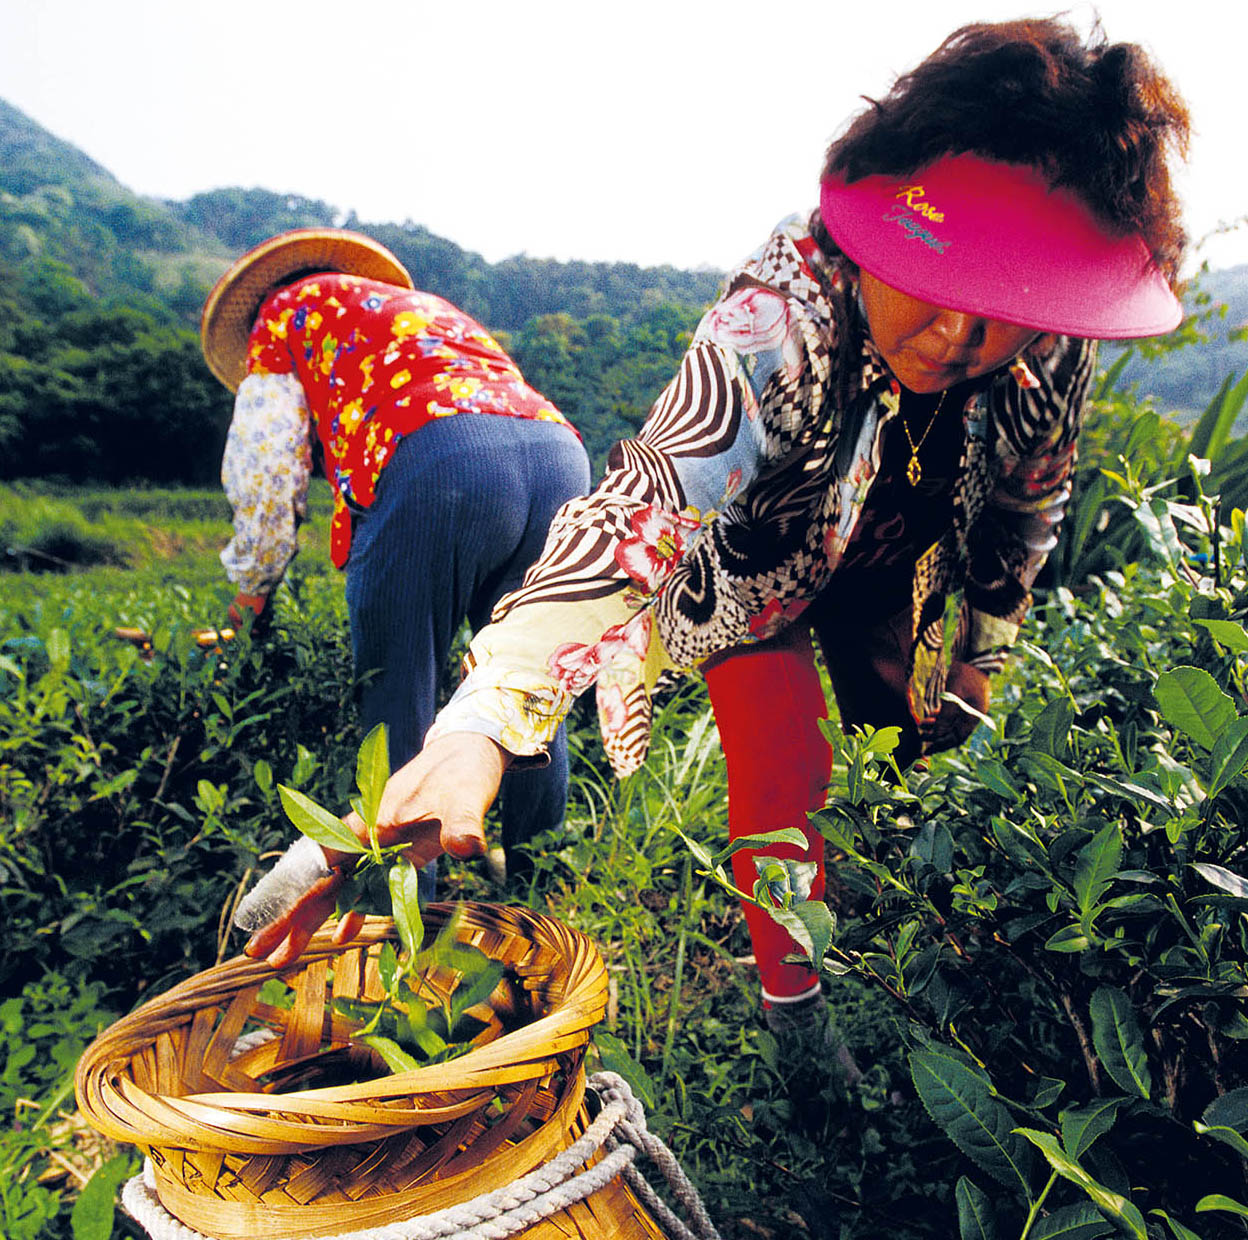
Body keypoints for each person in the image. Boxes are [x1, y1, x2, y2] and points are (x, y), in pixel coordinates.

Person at [239, 16, 1190, 1036]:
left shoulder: (1049, 345)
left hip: (904, 555)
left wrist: (982, 653)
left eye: (999, 307)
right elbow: (650, 497)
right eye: (937, 286)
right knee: (784, 761)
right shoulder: (780, 310)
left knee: (913, 762)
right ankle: (800, 1027)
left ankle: (911, 984)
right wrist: (483, 722)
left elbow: (1024, 510)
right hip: (754, 562)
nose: (957, 335)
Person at [200, 230, 591, 898]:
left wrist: (251, 597)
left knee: (396, 704)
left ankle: (403, 923)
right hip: (560, 455)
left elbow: (266, 474)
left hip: (441, 462)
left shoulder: (282, 314)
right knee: (528, 687)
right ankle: (541, 903)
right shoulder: (415, 312)